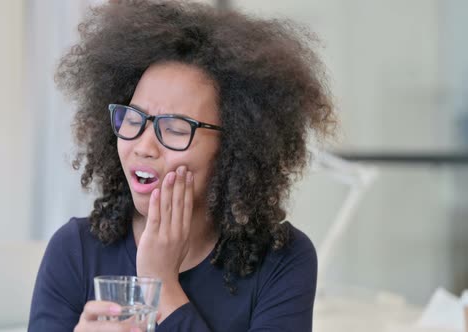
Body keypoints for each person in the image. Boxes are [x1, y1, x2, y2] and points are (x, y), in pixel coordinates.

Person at [28, 0, 336, 331]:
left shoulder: (282, 260)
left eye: (174, 129)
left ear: (234, 146)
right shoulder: (74, 250)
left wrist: (161, 284)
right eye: (133, 119)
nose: (143, 147)